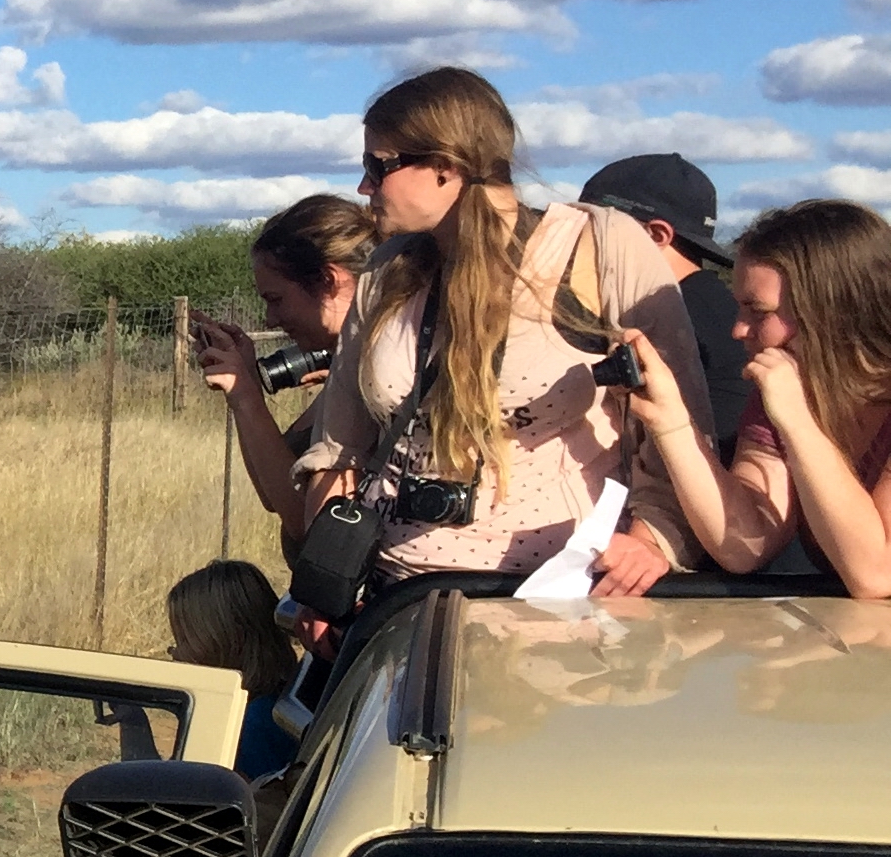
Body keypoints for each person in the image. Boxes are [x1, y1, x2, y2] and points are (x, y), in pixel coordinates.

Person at [295, 66, 712, 601]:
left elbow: (682, 424)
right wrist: (323, 583)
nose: (363, 187)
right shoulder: (384, 273)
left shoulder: (598, 249)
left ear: (447, 165)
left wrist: (653, 539)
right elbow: (341, 451)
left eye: (379, 166)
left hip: (557, 599)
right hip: (394, 596)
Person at [614, 197, 891, 596]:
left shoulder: (792, 404)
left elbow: (875, 574)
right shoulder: (786, 394)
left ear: (831, 311)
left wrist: (798, 422)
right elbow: (745, 545)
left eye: (758, 312)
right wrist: (671, 421)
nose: (738, 330)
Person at [195, 193, 371, 543]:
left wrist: (245, 396)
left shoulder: (374, 378)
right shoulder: (347, 364)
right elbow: (270, 492)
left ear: (327, 281)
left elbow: (303, 524)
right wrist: (245, 391)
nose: (270, 318)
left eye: (276, 300)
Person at [584, 152, 747, 458]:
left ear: (656, 235)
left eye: (594, 226)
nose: (577, 239)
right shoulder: (718, 306)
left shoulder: (672, 319)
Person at [166, 558, 301, 777]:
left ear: (225, 640)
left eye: (184, 639)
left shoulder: (249, 728)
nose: (175, 654)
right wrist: (133, 725)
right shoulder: (275, 706)